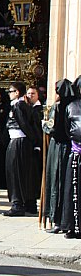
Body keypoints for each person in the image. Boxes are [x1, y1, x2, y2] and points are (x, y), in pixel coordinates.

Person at [3, 82, 41, 217]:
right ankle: (29, 203)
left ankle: (17, 204)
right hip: (21, 141)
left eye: (11, 91)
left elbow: (25, 125)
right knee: (25, 173)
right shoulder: (23, 105)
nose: (9, 94)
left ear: (17, 92)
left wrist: (33, 141)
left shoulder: (19, 105)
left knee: (15, 173)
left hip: (19, 141)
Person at [42, 79, 74, 233]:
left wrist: (44, 124)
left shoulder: (59, 107)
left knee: (56, 181)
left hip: (58, 147)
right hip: (69, 147)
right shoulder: (74, 105)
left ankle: (57, 219)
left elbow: (52, 127)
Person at [61, 75, 81, 239]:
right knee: (72, 191)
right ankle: (72, 226)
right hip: (77, 153)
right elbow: (68, 130)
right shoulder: (72, 106)